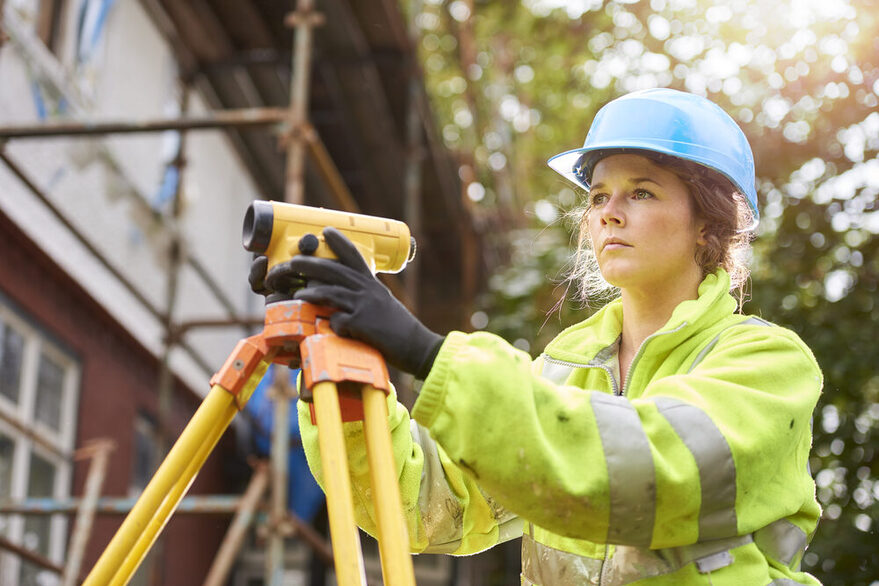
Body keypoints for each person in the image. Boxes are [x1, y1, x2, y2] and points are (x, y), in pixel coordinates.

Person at [255, 88, 823, 585]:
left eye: (641, 192)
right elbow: (426, 506)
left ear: (708, 224)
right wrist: (341, 362)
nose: (609, 214)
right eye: (599, 195)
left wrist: (427, 354)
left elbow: (647, 474)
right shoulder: (562, 368)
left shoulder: (767, 363)